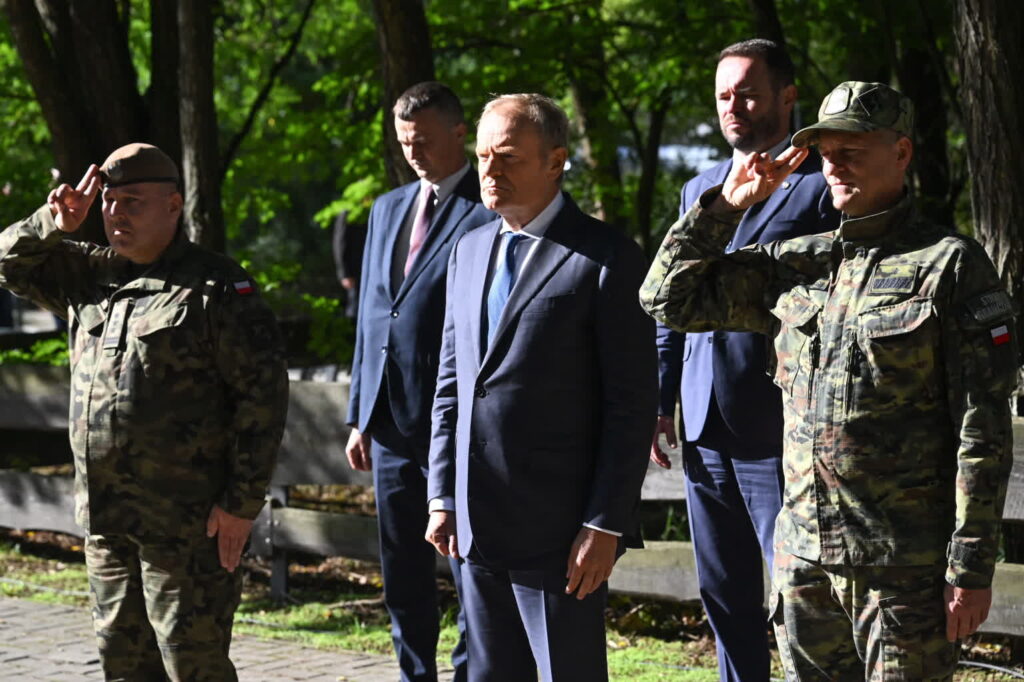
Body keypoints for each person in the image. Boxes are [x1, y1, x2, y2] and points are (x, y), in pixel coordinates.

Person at [641, 82, 1016, 680]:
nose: (834, 167)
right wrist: (726, 208)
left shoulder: (950, 266)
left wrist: (969, 569)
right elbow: (666, 298)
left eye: (853, 151)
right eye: (826, 152)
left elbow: (984, 428)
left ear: (901, 153)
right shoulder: (797, 263)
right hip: (802, 564)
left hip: (901, 573)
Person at [0, 143, 289, 681]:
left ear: (173, 206)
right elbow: (6, 262)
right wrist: (53, 221)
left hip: (186, 526)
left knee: (192, 667)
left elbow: (262, 399)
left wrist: (241, 504)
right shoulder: (87, 275)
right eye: (109, 200)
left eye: (133, 201)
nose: (115, 213)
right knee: (123, 668)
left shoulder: (217, 288)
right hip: (107, 523)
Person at [425, 93, 657, 681]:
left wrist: (606, 522)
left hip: (562, 536)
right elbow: (453, 384)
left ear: (555, 162)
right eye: (482, 156)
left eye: (507, 157)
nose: (489, 171)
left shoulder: (606, 258)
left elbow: (630, 405)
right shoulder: (469, 250)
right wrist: (442, 495)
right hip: (475, 528)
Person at [649, 39, 839, 682]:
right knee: (724, 595)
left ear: (788, 96)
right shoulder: (698, 190)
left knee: (799, 599)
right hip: (702, 426)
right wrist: (660, 397)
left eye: (748, 92)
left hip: (780, 428)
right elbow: (675, 304)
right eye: (724, 93)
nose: (734, 105)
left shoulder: (821, 189)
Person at [345, 81, 494, 682]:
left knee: (463, 564)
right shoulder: (386, 209)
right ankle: (415, 673)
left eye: (425, 140)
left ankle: (467, 671)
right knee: (401, 568)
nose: (414, 152)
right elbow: (371, 319)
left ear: (460, 133)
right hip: (386, 424)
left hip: (452, 425)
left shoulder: (485, 212)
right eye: (405, 142)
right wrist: (359, 412)